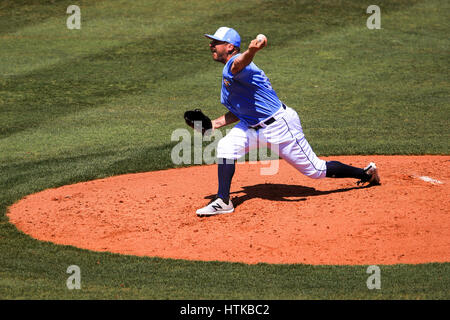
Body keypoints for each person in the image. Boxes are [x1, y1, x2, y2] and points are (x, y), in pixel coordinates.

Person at [196, 27, 380, 217]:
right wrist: (213, 124)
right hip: (251, 125)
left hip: (279, 126)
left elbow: (240, 62)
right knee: (226, 146)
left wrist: (252, 50)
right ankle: (223, 201)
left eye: (215, 42)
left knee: (315, 170)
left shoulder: (237, 64)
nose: (211, 45)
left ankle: (366, 173)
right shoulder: (235, 74)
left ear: (229, 47)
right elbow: (243, 109)